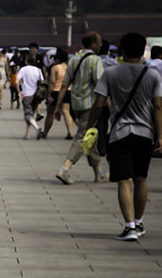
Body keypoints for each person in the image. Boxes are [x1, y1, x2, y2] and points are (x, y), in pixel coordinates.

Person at [86, 32, 162, 243]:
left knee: (124, 180)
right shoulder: (152, 75)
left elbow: (99, 103)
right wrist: (161, 136)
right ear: (142, 51)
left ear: (122, 50)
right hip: (145, 133)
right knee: (141, 179)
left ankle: (129, 226)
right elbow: (158, 106)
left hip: (120, 133)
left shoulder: (111, 73)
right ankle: (139, 221)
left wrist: (89, 125)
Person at [55, 31, 107, 185]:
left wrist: (58, 106)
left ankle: (99, 172)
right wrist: (107, 102)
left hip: (75, 104)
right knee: (83, 136)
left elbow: (65, 85)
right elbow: (99, 83)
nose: (101, 45)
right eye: (99, 42)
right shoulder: (95, 60)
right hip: (90, 104)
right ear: (92, 44)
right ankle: (65, 168)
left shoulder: (73, 59)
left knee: (90, 136)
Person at [41, 49, 73, 140]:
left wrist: (48, 95)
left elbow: (52, 83)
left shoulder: (55, 68)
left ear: (58, 59)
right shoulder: (69, 67)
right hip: (67, 91)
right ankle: (70, 132)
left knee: (50, 113)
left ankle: (45, 133)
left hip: (55, 92)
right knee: (66, 112)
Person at [17, 59, 45, 139]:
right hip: (36, 95)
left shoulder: (23, 69)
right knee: (31, 114)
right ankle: (27, 134)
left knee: (28, 115)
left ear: (26, 61)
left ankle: (37, 128)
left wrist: (19, 91)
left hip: (27, 94)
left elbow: (17, 81)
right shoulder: (38, 70)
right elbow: (42, 81)